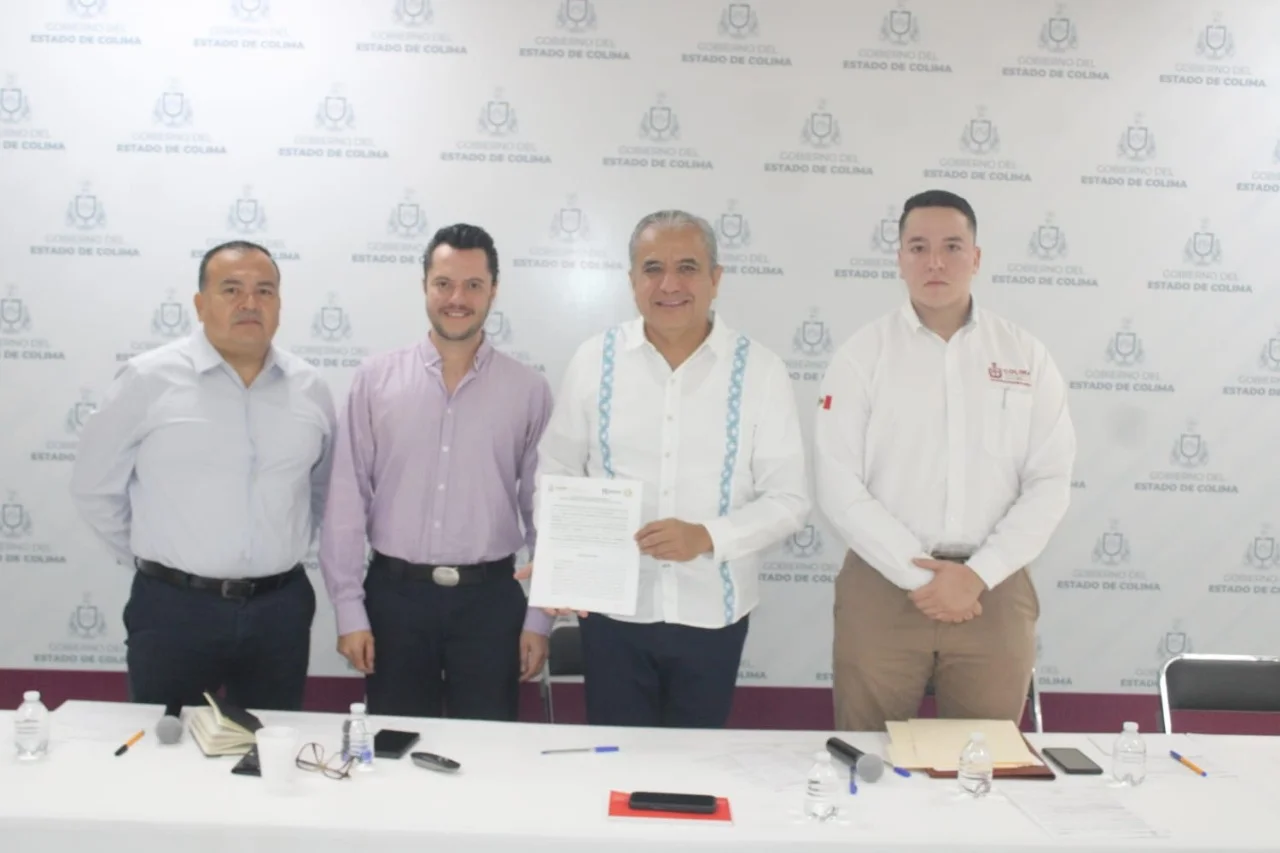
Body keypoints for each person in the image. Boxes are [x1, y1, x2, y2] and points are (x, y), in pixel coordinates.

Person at [524, 210, 810, 728]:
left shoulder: (761, 371)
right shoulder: (594, 361)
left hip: (714, 613)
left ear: (715, 279)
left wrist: (706, 536)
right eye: (653, 268)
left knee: (695, 765)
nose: (670, 284)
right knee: (617, 762)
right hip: (613, 614)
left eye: (688, 268)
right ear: (632, 280)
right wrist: (563, 555)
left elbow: (788, 500)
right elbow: (557, 471)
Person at [814, 189, 1076, 731]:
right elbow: (838, 483)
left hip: (993, 590)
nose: (935, 261)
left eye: (952, 247)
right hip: (883, 586)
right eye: (919, 247)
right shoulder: (861, 356)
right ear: (899, 259)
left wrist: (977, 575)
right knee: (869, 755)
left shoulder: (1025, 356)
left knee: (985, 761)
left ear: (976, 258)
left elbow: (1049, 482)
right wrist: (918, 575)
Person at [70, 240, 336, 712]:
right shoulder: (148, 380)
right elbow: (94, 489)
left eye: (265, 291)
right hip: (174, 609)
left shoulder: (310, 387)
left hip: (280, 610)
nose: (249, 302)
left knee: (271, 747)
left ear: (279, 304)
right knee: (167, 747)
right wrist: (162, 561)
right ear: (199, 303)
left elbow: (320, 491)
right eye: (231, 289)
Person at [319, 223, 553, 721]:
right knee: (395, 748)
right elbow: (346, 498)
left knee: (488, 749)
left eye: (473, 285)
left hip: (491, 605)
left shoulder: (528, 389)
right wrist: (349, 609)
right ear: (424, 285)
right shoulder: (375, 380)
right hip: (394, 602)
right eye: (443, 283)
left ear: (494, 290)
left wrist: (538, 617)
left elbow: (545, 512)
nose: (457, 298)